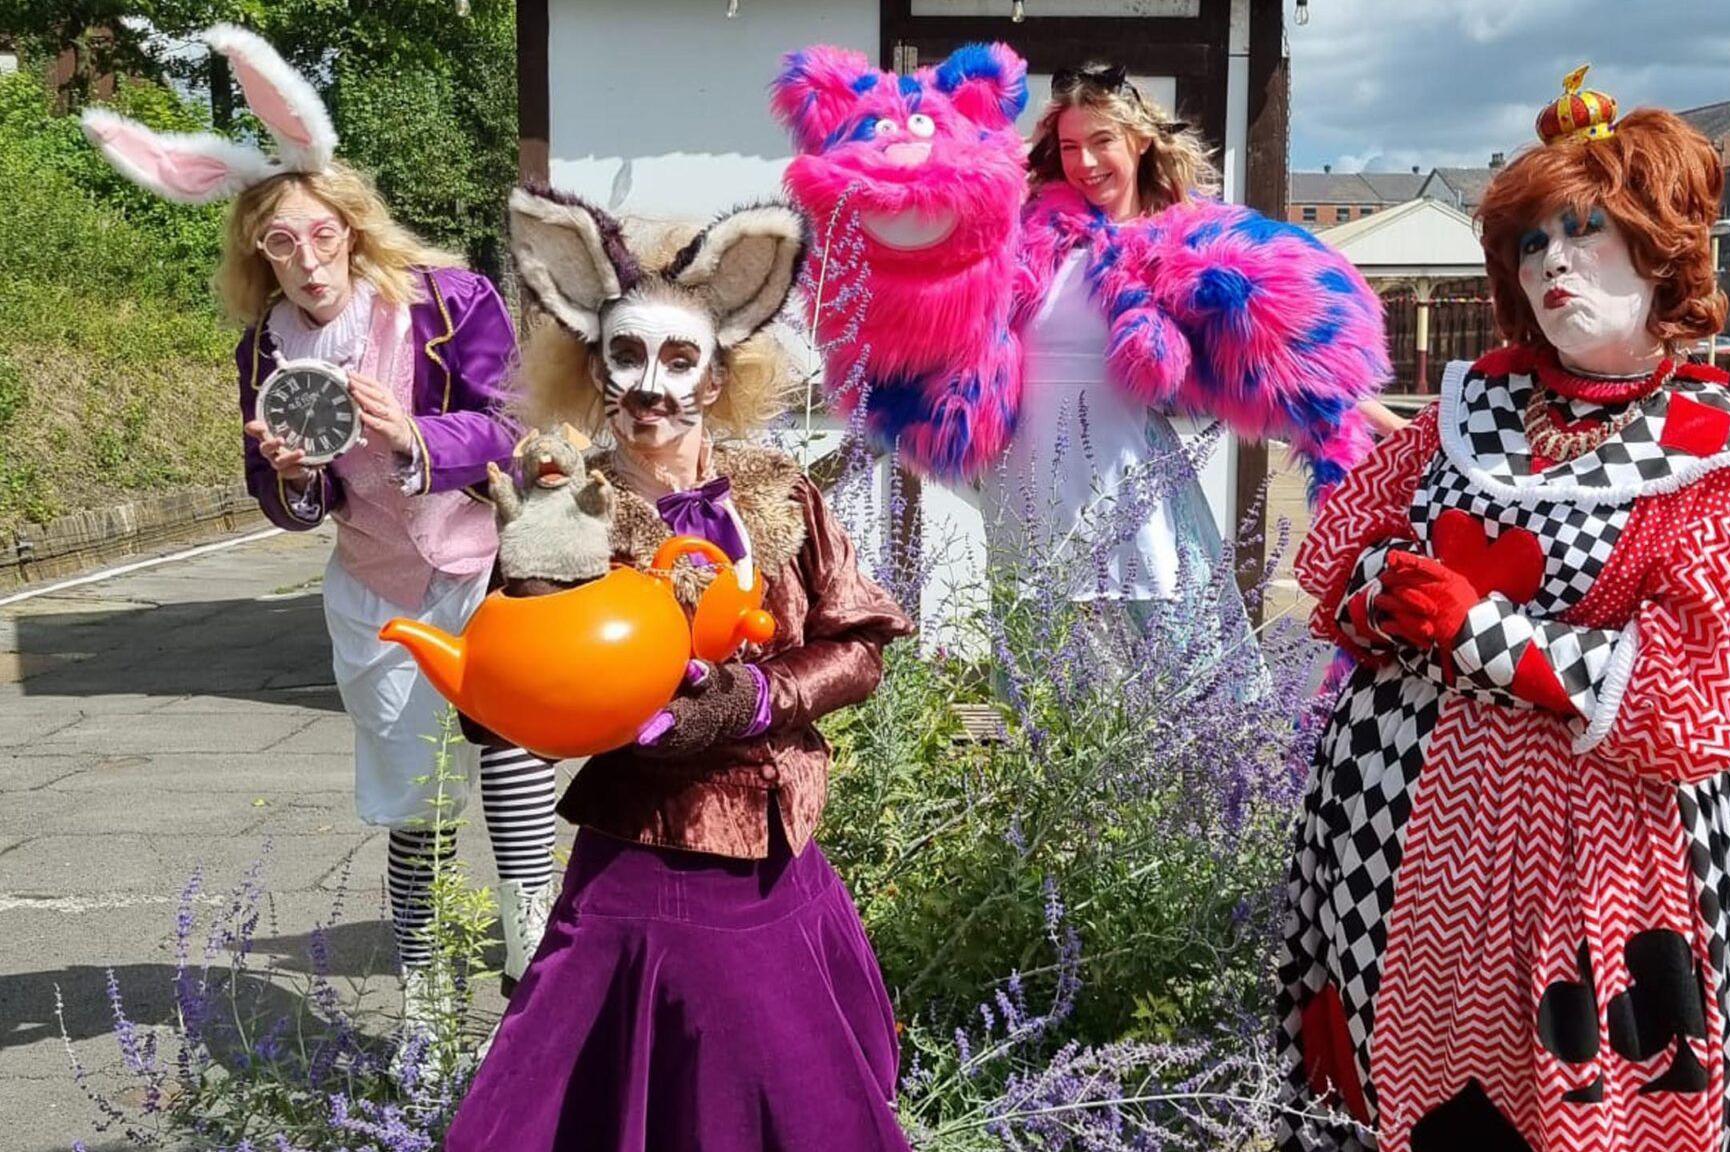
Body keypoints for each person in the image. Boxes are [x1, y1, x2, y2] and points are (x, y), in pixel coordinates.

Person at [1276, 67, 1730, 1152]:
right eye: (1531, 241)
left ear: (1661, 253)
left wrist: (1479, 633)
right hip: (1401, 833)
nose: (1553, 260)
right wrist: (1390, 596)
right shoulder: (1461, 419)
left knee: (1610, 1087)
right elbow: (1334, 562)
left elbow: (1699, 691)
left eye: (1586, 230)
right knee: (1405, 1078)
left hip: (1625, 843)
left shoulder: (1719, 469)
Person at [81, 26, 560, 1003]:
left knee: (511, 766)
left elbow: (513, 428)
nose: (305, 258)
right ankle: (425, 1001)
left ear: (351, 224)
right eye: (278, 241)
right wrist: (294, 477)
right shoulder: (265, 347)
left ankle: (533, 974)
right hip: (378, 592)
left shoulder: (445, 301)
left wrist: (418, 437)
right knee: (415, 806)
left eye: (319, 233)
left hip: (480, 567)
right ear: (258, 251)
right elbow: (288, 503)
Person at [443, 186, 916, 1152]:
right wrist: (531, 588)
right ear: (593, 366)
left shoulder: (781, 495)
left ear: (716, 374)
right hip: (644, 852)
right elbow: (495, 710)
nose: (651, 385)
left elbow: (860, 643)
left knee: (792, 1105)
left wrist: (754, 699)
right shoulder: (566, 511)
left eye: (678, 357)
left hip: (778, 857)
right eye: (625, 355)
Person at [772, 44, 1388, 674]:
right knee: (1047, 724)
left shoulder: (1185, 242)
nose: (1087, 163)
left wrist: (1386, 421)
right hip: (1032, 501)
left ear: (1139, 140)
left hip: (1141, 510)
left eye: (1102, 141)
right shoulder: (1025, 232)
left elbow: (1286, 358)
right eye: (1069, 147)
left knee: (1195, 705)